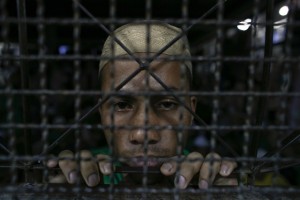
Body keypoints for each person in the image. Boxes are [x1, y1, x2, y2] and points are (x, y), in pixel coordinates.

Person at [47, 22, 237, 189]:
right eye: (121, 105)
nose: (143, 134)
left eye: (167, 104)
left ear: (191, 109)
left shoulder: (206, 179)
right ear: (102, 111)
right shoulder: (81, 174)